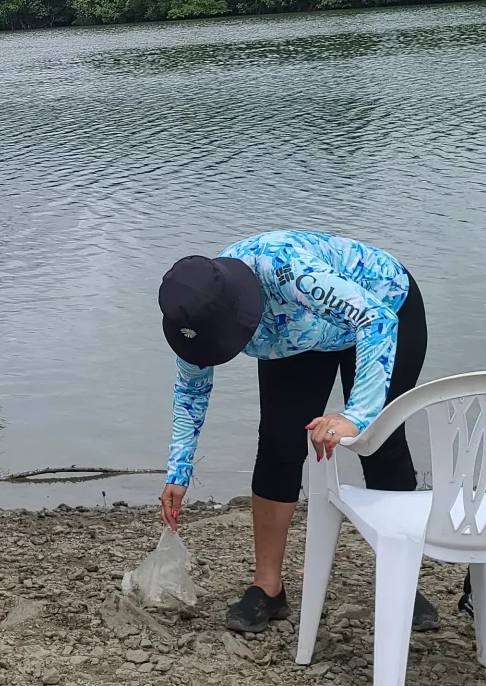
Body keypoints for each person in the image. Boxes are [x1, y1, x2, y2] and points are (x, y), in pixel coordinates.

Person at [155, 230, 440, 636]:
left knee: (381, 442)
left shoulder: (287, 271)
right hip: (299, 335)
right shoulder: (194, 313)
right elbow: (190, 390)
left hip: (384, 308)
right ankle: (268, 587)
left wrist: (356, 415)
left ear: (240, 309)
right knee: (277, 443)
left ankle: (403, 583)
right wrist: (178, 472)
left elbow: (375, 319)